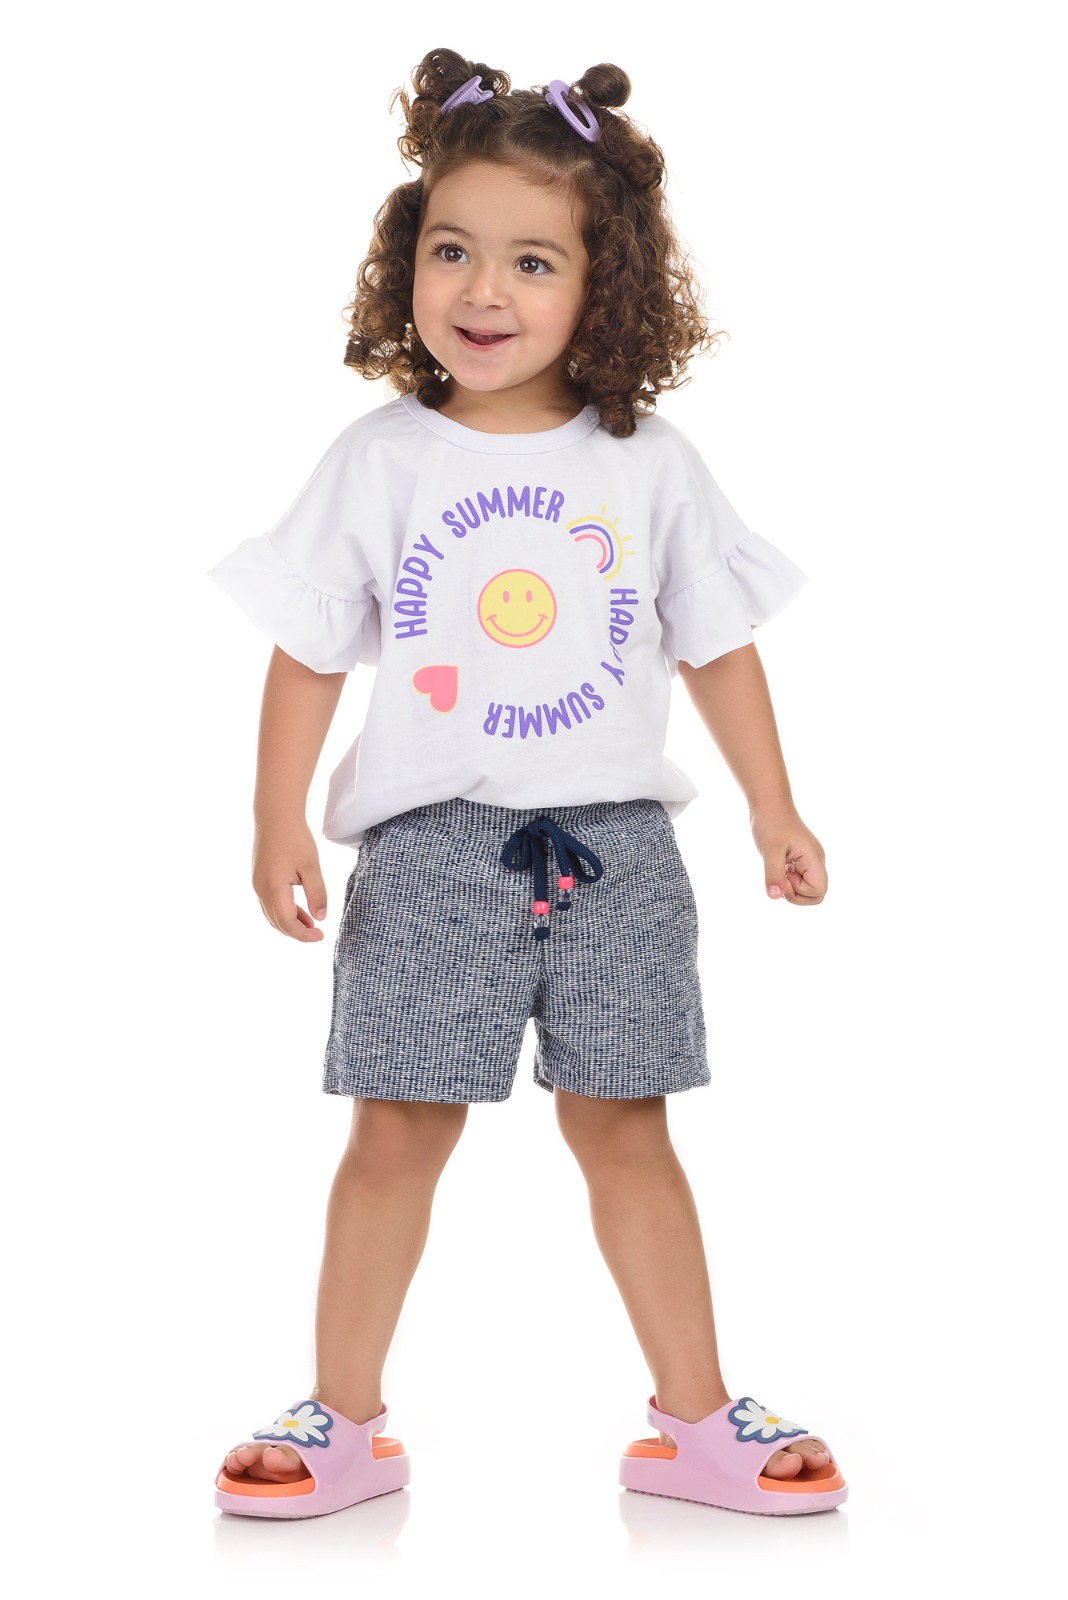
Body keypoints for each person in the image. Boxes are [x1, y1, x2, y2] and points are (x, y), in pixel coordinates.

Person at [207, 48, 848, 1520]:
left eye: (531, 261)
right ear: (407, 261)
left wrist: (774, 806)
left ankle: (693, 1421)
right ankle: (345, 1419)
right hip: (429, 852)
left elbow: (717, 645)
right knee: (394, 1129)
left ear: (603, 288)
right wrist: (274, 818)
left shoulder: (649, 463)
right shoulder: (380, 460)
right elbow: (309, 650)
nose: (482, 291)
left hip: (619, 847)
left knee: (629, 1124)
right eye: (452, 250)